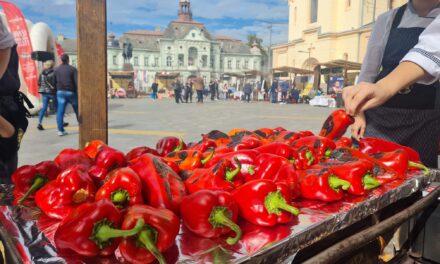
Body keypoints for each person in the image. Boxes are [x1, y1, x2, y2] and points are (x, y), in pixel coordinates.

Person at [343, 1, 440, 168]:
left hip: (425, 120)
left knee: (420, 177)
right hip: (381, 119)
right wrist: (358, 114)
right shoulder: (389, 18)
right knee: (371, 171)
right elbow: (368, 71)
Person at [0, 19, 31, 183]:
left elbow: (3, 44)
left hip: (5, 107)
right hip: (8, 106)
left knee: (5, 176)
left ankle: (6, 205)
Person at [54, 54, 78, 136]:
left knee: (60, 112)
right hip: (71, 92)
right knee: (77, 110)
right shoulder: (73, 69)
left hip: (60, 92)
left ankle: (60, 130)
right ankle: (82, 127)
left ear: (61, 60)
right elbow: (76, 82)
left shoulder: (56, 70)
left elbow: (54, 82)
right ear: (68, 60)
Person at [37, 60, 56, 130]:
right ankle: (61, 122)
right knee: (58, 107)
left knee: (44, 107)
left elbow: (39, 83)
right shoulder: (53, 73)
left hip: (44, 92)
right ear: (52, 65)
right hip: (51, 92)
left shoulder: (41, 73)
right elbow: (54, 83)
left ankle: (39, 123)